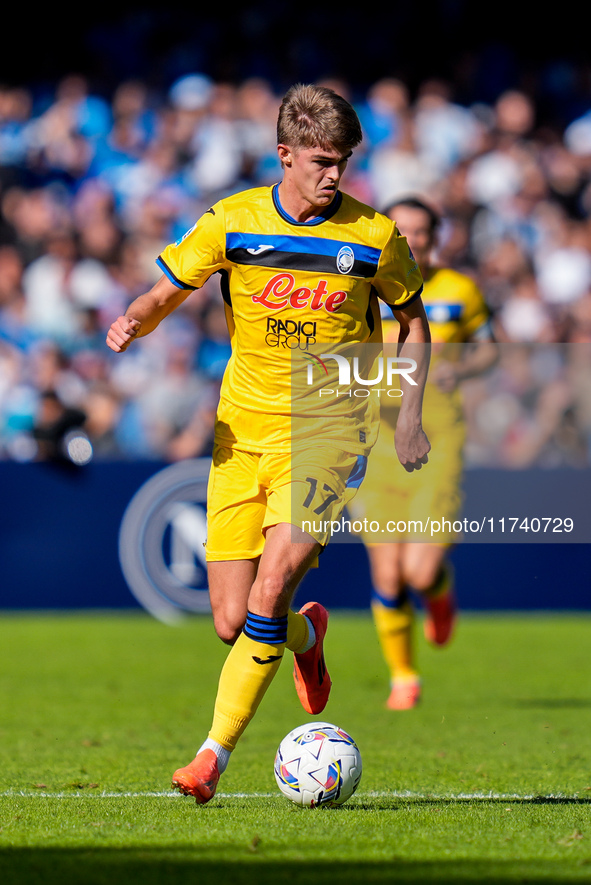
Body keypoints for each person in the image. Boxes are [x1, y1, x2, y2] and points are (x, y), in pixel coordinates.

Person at [106, 84, 431, 804]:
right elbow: (164, 292)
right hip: (240, 433)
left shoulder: (374, 236)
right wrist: (132, 320)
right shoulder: (232, 223)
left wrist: (407, 413)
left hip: (329, 432)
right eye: (320, 160)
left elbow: (413, 322)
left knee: (271, 583)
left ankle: (209, 757)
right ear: (283, 154)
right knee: (232, 619)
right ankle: (305, 640)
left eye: (342, 162)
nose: (334, 175)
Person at [349, 197, 497, 710]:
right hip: (375, 443)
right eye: (402, 230)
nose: (411, 240)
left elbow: (488, 346)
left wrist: (465, 368)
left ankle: (438, 590)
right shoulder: (364, 286)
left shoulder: (459, 291)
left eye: (421, 231)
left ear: (438, 237)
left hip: (437, 443)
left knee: (419, 571)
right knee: (387, 573)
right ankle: (403, 676)